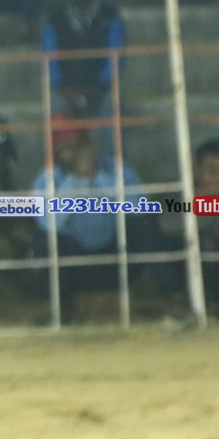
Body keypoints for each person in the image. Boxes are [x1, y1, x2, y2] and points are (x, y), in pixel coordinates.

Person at [32, 121, 144, 317]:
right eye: (66, 147)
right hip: (74, 264)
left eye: (78, 145)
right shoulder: (49, 178)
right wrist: (75, 181)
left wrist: (97, 176)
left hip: (116, 257)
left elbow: (138, 206)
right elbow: (48, 223)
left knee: (145, 226)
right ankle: (62, 308)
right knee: (44, 242)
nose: (75, 153)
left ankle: (172, 296)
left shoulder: (113, 167)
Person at [157, 140, 219, 315]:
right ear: (196, 169)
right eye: (212, 171)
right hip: (185, 264)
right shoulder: (177, 191)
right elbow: (167, 224)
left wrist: (203, 211)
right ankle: (177, 299)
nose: (218, 178)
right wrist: (213, 209)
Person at [43, 0, 125, 155]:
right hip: (65, 88)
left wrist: (102, 86)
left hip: (100, 87)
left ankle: (109, 164)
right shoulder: (55, 19)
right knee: (55, 108)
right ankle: (61, 165)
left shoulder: (110, 16)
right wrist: (62, 87)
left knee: (110, 110)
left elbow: (116, 55)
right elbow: (49, 57)